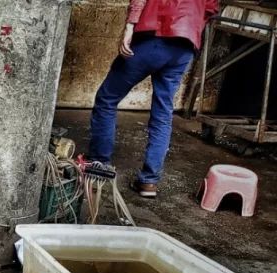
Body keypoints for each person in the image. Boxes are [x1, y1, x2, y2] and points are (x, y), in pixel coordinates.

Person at [88, 0, 219, 198]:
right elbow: (211, 8)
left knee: (107, 98)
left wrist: (130, 27)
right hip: (184, 45)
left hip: (154, 36)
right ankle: (149, 182)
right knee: (163, 113)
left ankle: (99, 165)